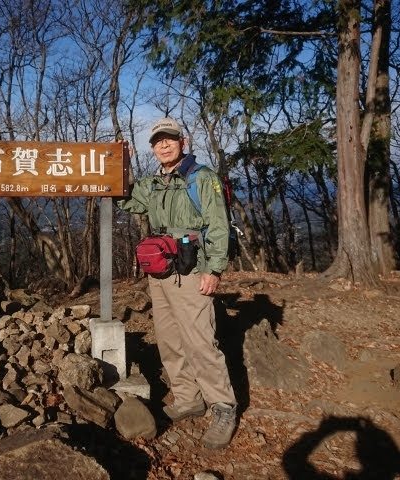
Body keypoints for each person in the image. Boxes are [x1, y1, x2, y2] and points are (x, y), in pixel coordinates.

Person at [117, 117, 237, 449]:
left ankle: (223, 406)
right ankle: (188, 398)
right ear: (153, 147)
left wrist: (214, 270)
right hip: (161, 272)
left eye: (170, 139)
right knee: (170, 339)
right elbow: (126, 199)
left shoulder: (202, 178)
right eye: (158, 141)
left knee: (200, 341)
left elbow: (217, 224)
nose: (164, 144)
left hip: (193, 269)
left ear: (182, 142)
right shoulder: (153, 182)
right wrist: (121, 165)